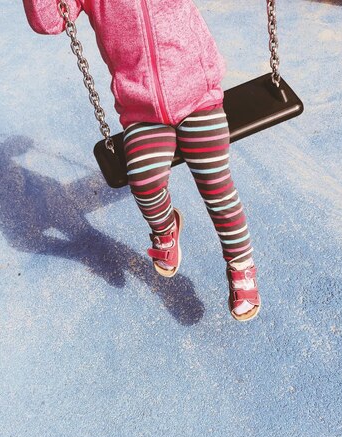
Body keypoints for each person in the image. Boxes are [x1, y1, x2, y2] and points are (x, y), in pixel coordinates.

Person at [21, 0, 261, 321]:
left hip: (198, 97)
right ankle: (165, 228)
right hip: (142, 112)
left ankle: (240, 264)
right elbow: (49, 20)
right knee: (144, 182)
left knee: (215, 183)